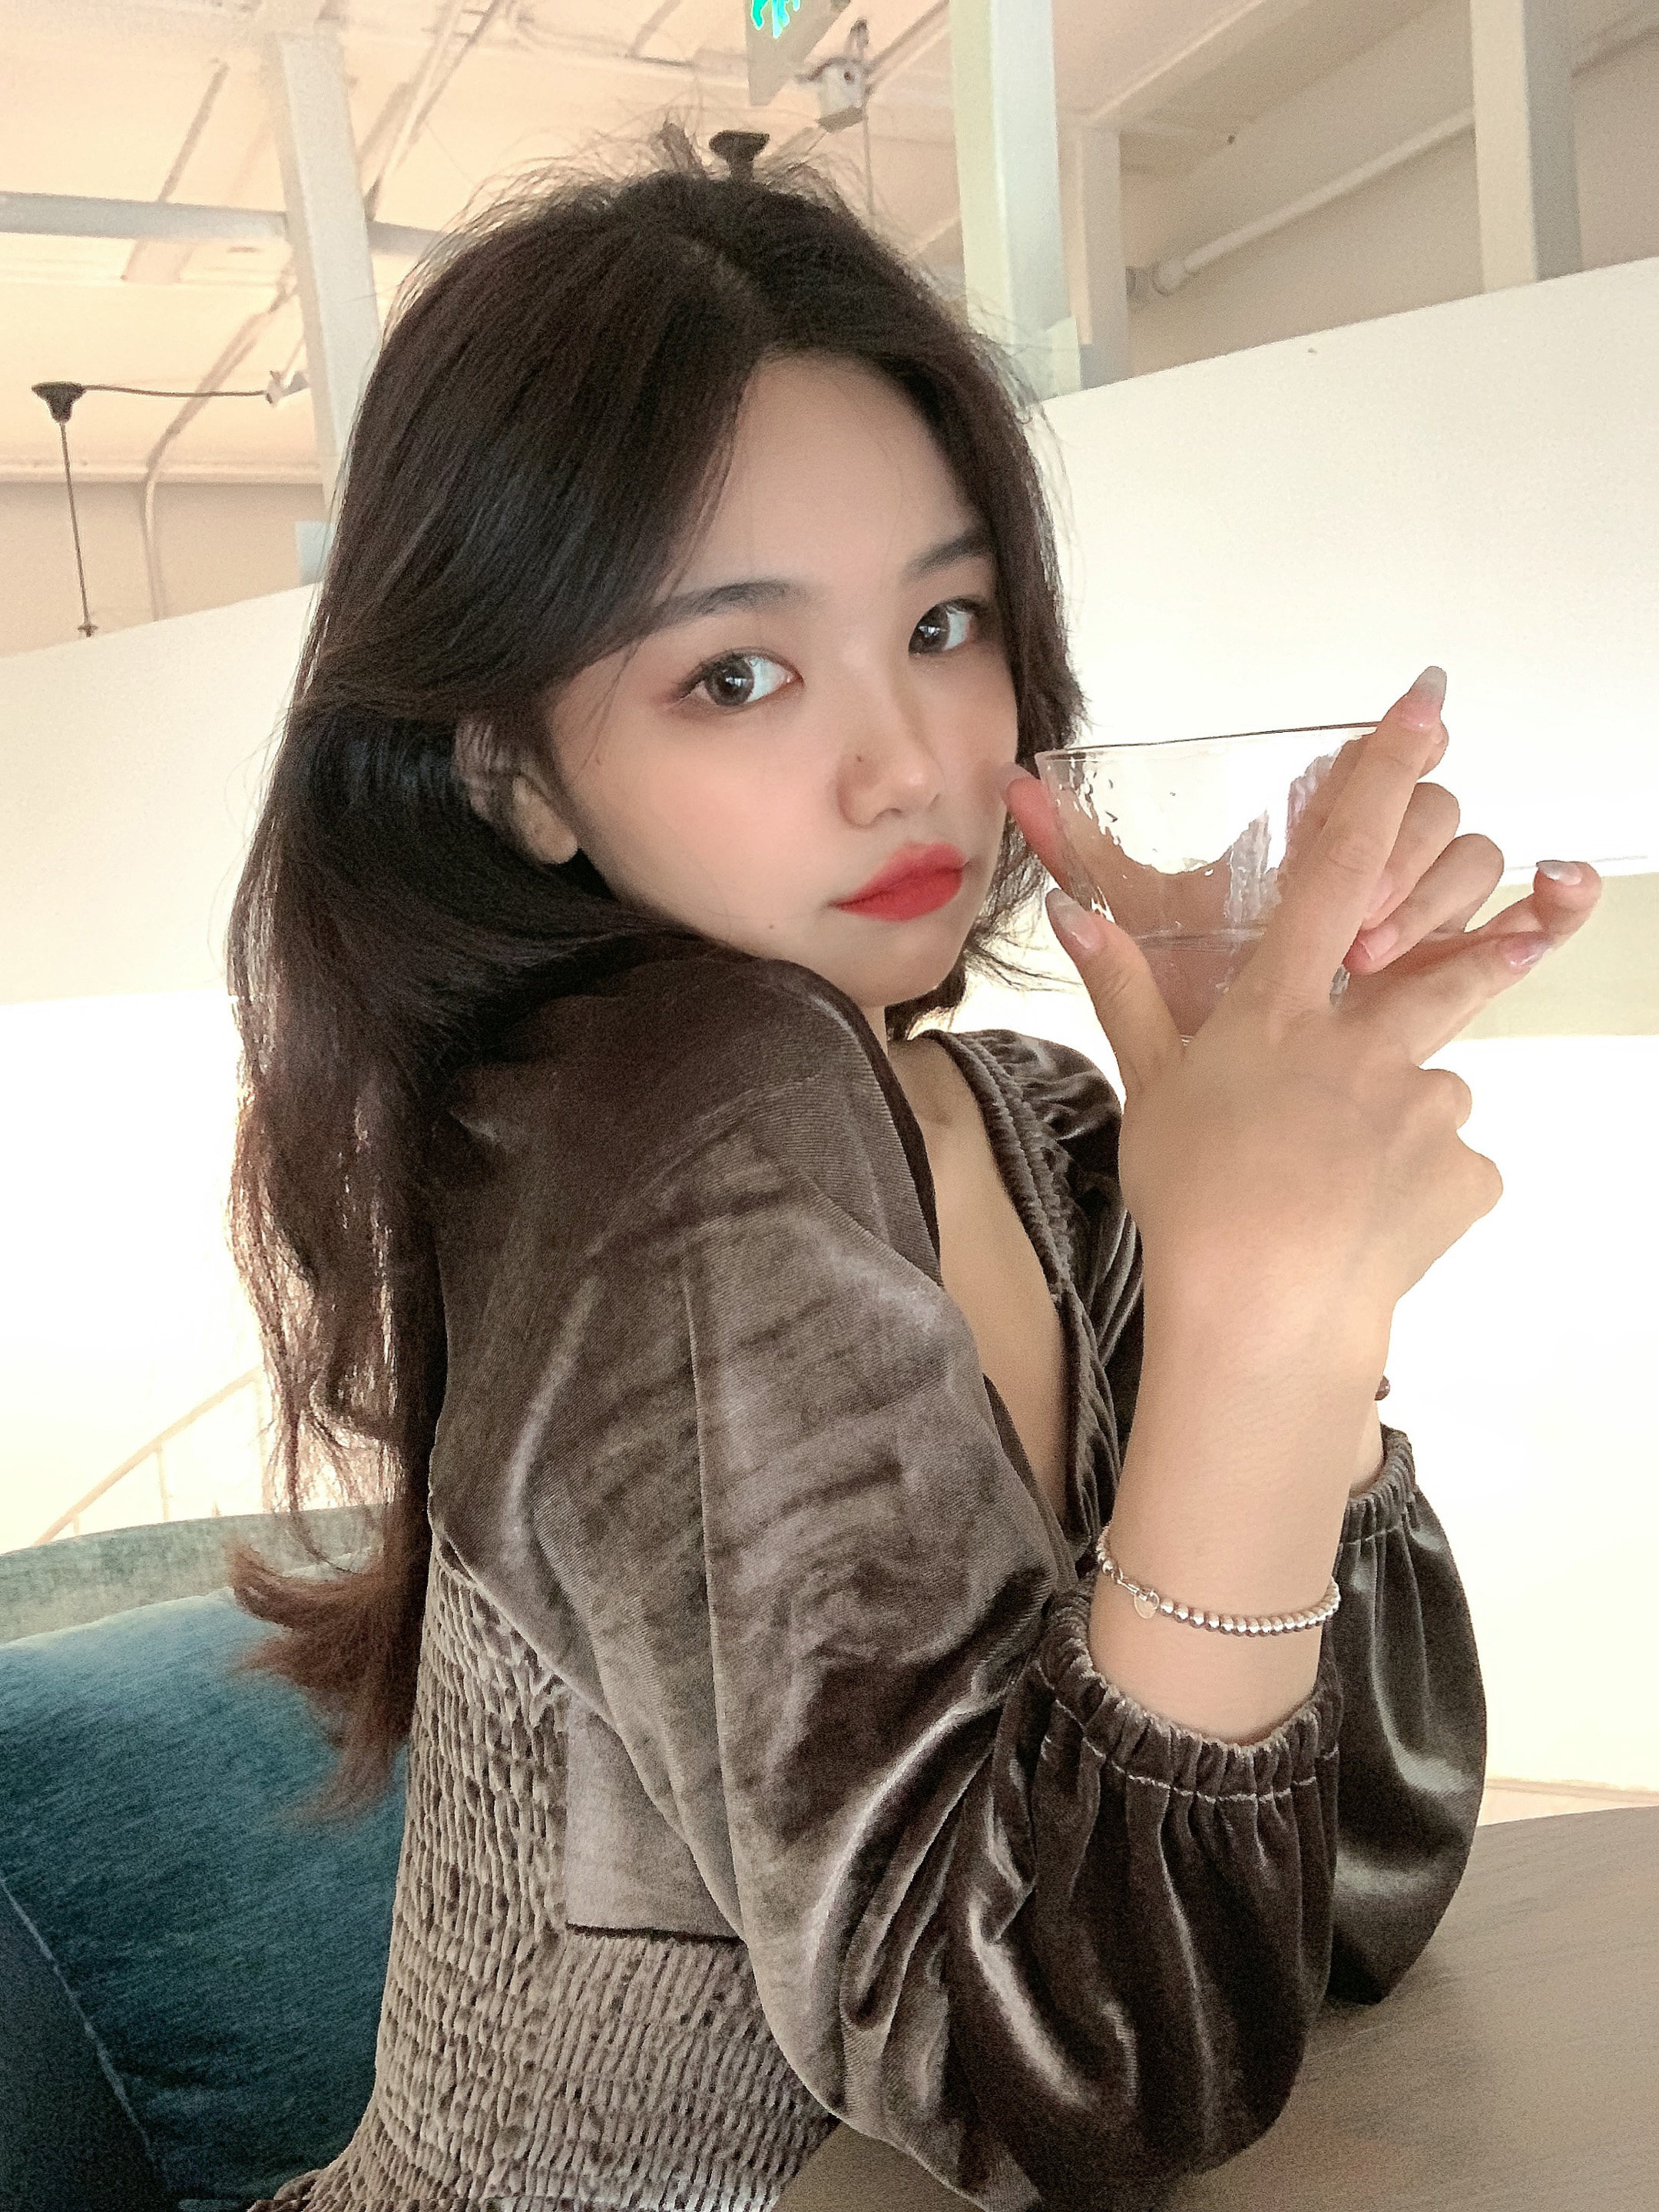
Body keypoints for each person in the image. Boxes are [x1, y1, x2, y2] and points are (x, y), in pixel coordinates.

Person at [232, 127, 1601, 2212]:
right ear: (512, 775)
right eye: (738, 673)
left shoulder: (1038, 1125)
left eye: (947, 622)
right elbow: (1064, 2102)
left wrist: (1276, 1272)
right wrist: (1264, 1316)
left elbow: (1348, 1897)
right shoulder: (683, 1109)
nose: (912, 765)